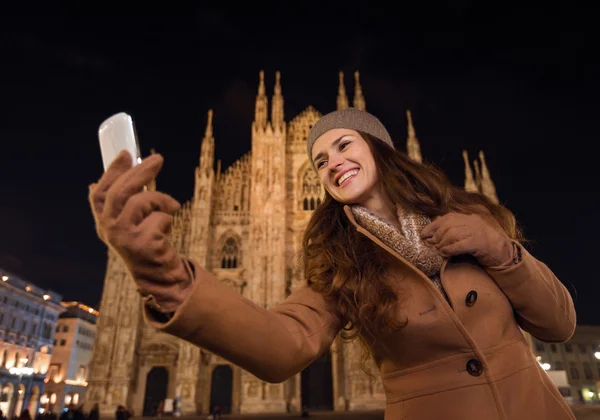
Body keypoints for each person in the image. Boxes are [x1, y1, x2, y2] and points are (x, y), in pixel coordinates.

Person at [89, 107, 576, 420]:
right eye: (319, 160)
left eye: (344, 145)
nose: (331, 162)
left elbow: (558, 322)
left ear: (381, 151)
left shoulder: (468, 213)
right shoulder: (341, 260)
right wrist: (169, 279)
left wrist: (502, 251)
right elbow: (284, 342)